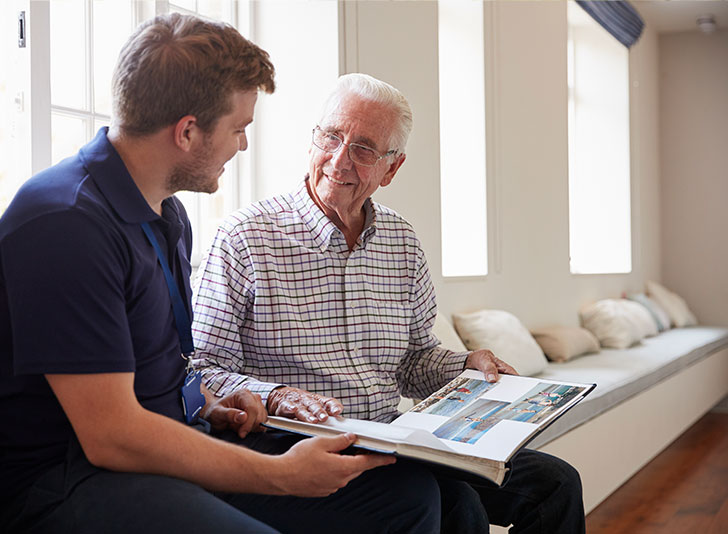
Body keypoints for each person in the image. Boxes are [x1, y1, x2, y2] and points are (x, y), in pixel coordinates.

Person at [0, 16, 442, 534]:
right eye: (239, 128)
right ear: (189, 131)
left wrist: (210, 405)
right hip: (70, 479)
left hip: (161, 449)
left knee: (408, 497)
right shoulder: (64, 222)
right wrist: (279, 474)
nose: (243, 146)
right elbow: (111, 436)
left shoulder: (166, 216)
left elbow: (168, 366)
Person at [191, 73, 586, 533]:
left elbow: (415, 361)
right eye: (331, 137)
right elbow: (202, 368)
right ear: (313, 138)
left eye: (363, 149)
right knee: (458, 504)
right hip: (291, 443)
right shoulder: (243, 237)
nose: (339, 160)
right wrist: (278, 396)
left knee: (558, 484)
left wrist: (466, 366)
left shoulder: (401, 241)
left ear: (391, 169)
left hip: (394, 436)